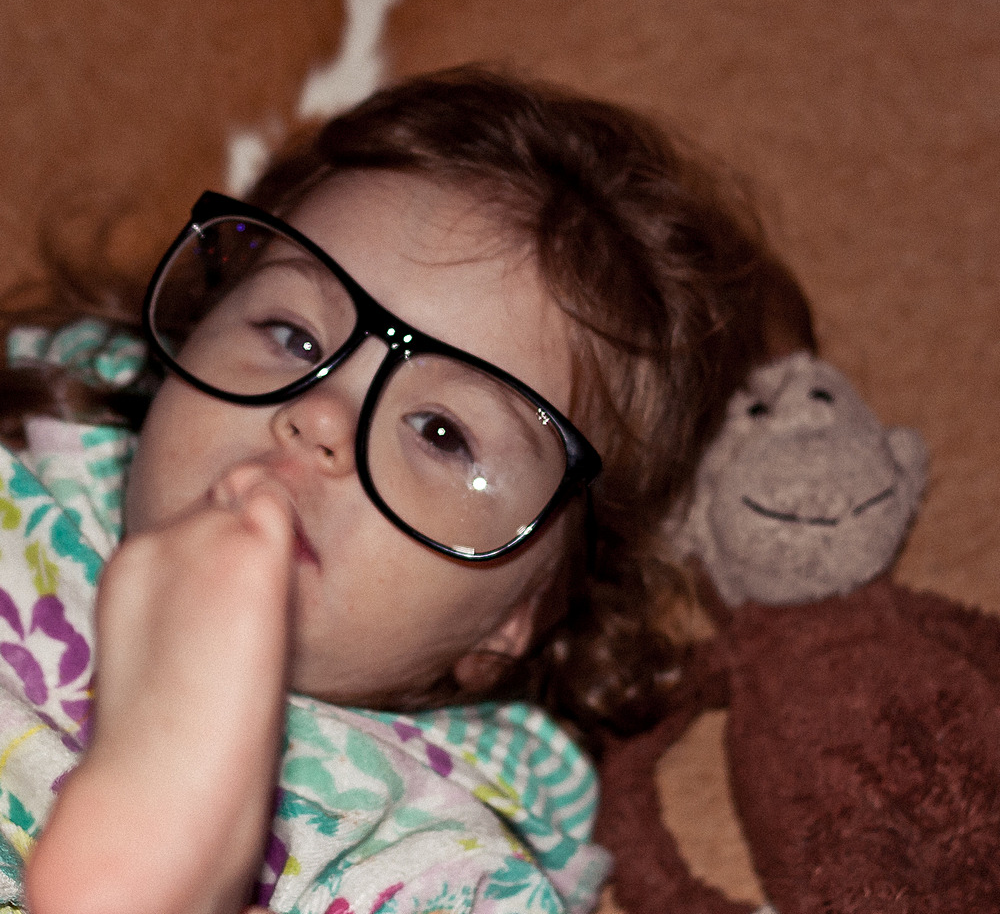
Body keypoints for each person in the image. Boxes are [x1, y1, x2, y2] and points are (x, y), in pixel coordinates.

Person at [0, 67, 810, 914]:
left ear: (512, 620)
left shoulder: (439, 865)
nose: (320, 416)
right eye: (292, 334)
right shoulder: (26, 463)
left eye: (442, 433)